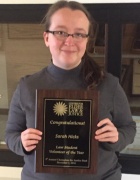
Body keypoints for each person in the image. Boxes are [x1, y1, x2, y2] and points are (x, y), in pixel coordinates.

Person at [5, 0, 136, 180]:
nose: (69, 40)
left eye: (79, 34)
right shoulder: (27, 86)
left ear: (87, 40)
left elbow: (128, 128)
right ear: (46, 38)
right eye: (60, 32)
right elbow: (11, 134)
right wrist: (22, 142)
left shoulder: (108, 84)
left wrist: (116, 137)